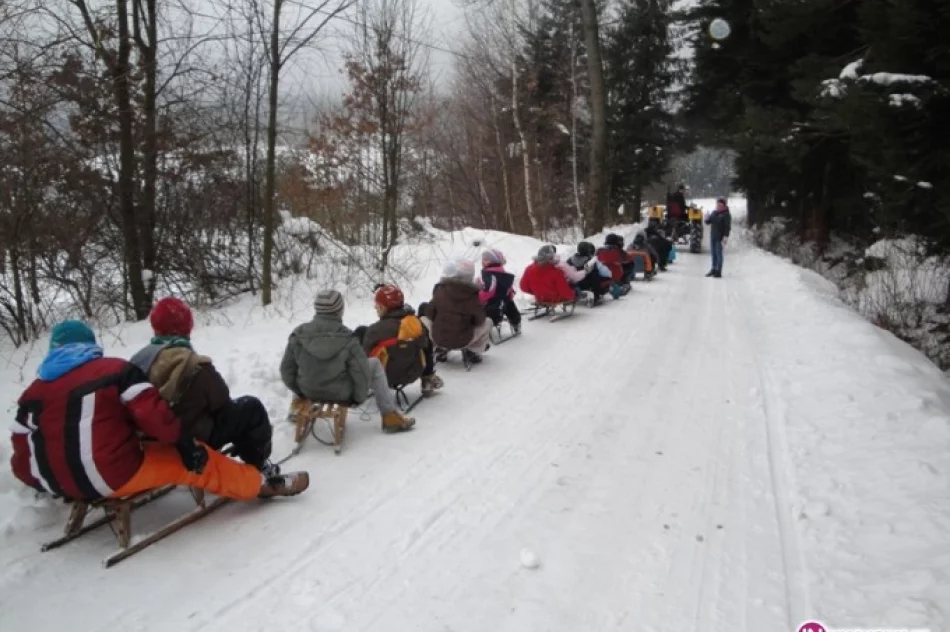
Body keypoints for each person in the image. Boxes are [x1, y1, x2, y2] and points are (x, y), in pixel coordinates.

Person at [10, 321, 308, 502]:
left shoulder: (32, 393)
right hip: (114, 474)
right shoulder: (114, 372)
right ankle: (259, 485)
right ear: (90, 345)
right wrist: (184, 444)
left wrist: (47, 480)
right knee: (199, 463)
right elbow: (154, 415)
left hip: (55, 484)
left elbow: (21, 455)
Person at [130, 297, 280, 478]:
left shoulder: (137, 362)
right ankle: (258, 465)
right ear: (187, 328)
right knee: (250, 408)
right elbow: (222, 400)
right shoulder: (195, 365)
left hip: (152, 442)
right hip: (191, 443)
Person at [280, 290, 415, 432]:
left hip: (308, 390)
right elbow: (360, 372)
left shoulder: (298, 334)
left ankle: (296, 405)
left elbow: (286, 371)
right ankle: (390, 417)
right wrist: (357, 398)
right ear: (340, 310)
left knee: (302, 367)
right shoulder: (348, 338)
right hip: (340, 393)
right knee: (374, 364)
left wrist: (300, 392)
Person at [362, 284, 444, 397]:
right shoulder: (416, 324)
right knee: (425, 341)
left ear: (384, 307)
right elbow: (427, 348)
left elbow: (364, 357)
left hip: (383, 377)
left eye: (377, 305)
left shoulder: (374, 331)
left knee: (360, 334)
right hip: (413, 373)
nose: (375, 307)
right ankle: (427, 378)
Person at [420, 258, 492, 365]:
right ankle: (473, 351)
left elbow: (429, 313)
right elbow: (479, 320)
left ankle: (438, 349)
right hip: (462, 340)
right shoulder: (472, 295)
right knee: (488, 322)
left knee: (423, 319)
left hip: (439, 338)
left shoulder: (440, 290)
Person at [478, 249, 522, 334]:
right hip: (503, 301)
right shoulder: (501, 272)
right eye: (483, 259)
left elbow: (489, 290)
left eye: (485, 260)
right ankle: (516, 321)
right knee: (509, 304)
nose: (482, 262)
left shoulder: (490, 273)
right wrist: (509, 294)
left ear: (492, 261)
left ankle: (481, 325)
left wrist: (478, 296)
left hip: (492, 305)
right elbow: (508, 288)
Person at [705, 196, 732, 278]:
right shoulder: (714, 212)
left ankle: (718, 271)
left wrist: (725, 237)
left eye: (720, 205)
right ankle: (713, 268)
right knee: (713, 254)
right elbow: (708, 222)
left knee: (719, 254)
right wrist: (706, 218)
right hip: (713, 236)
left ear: (724, 205)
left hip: (720, 238)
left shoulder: (726, 215)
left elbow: (727, 227)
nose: (718, 206)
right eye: (717, 205)